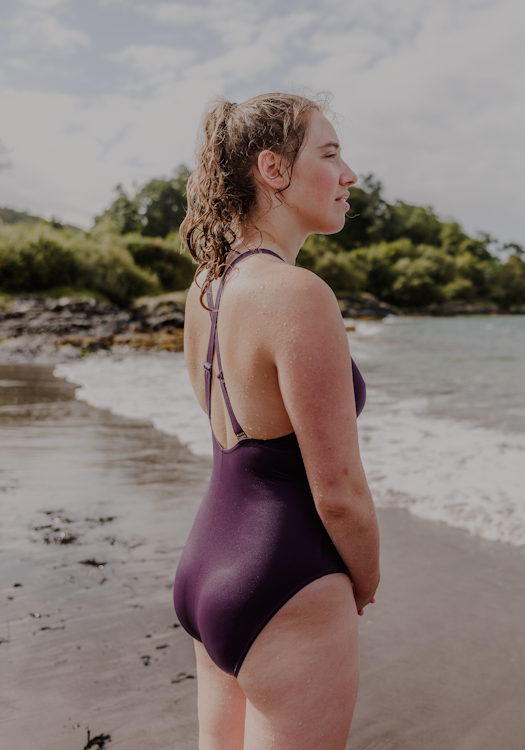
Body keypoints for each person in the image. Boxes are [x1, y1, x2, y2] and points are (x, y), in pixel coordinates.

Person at [172, 93, 380, 750]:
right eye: (330, 153)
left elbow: (231, 433)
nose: (350, 175)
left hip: (209, 565)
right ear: (274, 169)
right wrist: (365, 580)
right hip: (289, 577)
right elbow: (338, 492)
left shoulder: (205, 287)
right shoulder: (298, 294)